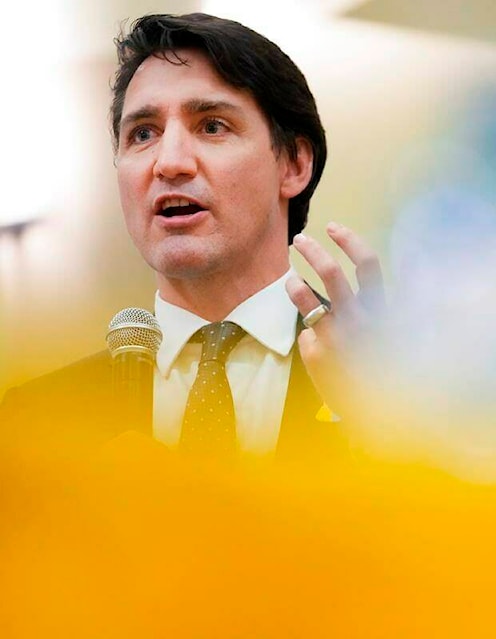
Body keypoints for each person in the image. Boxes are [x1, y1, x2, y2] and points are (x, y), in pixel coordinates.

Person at [0, 13, 384, 462]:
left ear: (294, 165)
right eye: (143, 134)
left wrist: (376, 417)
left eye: (212, 126)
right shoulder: (30, 422)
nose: (169, 163)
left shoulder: (397, 389)